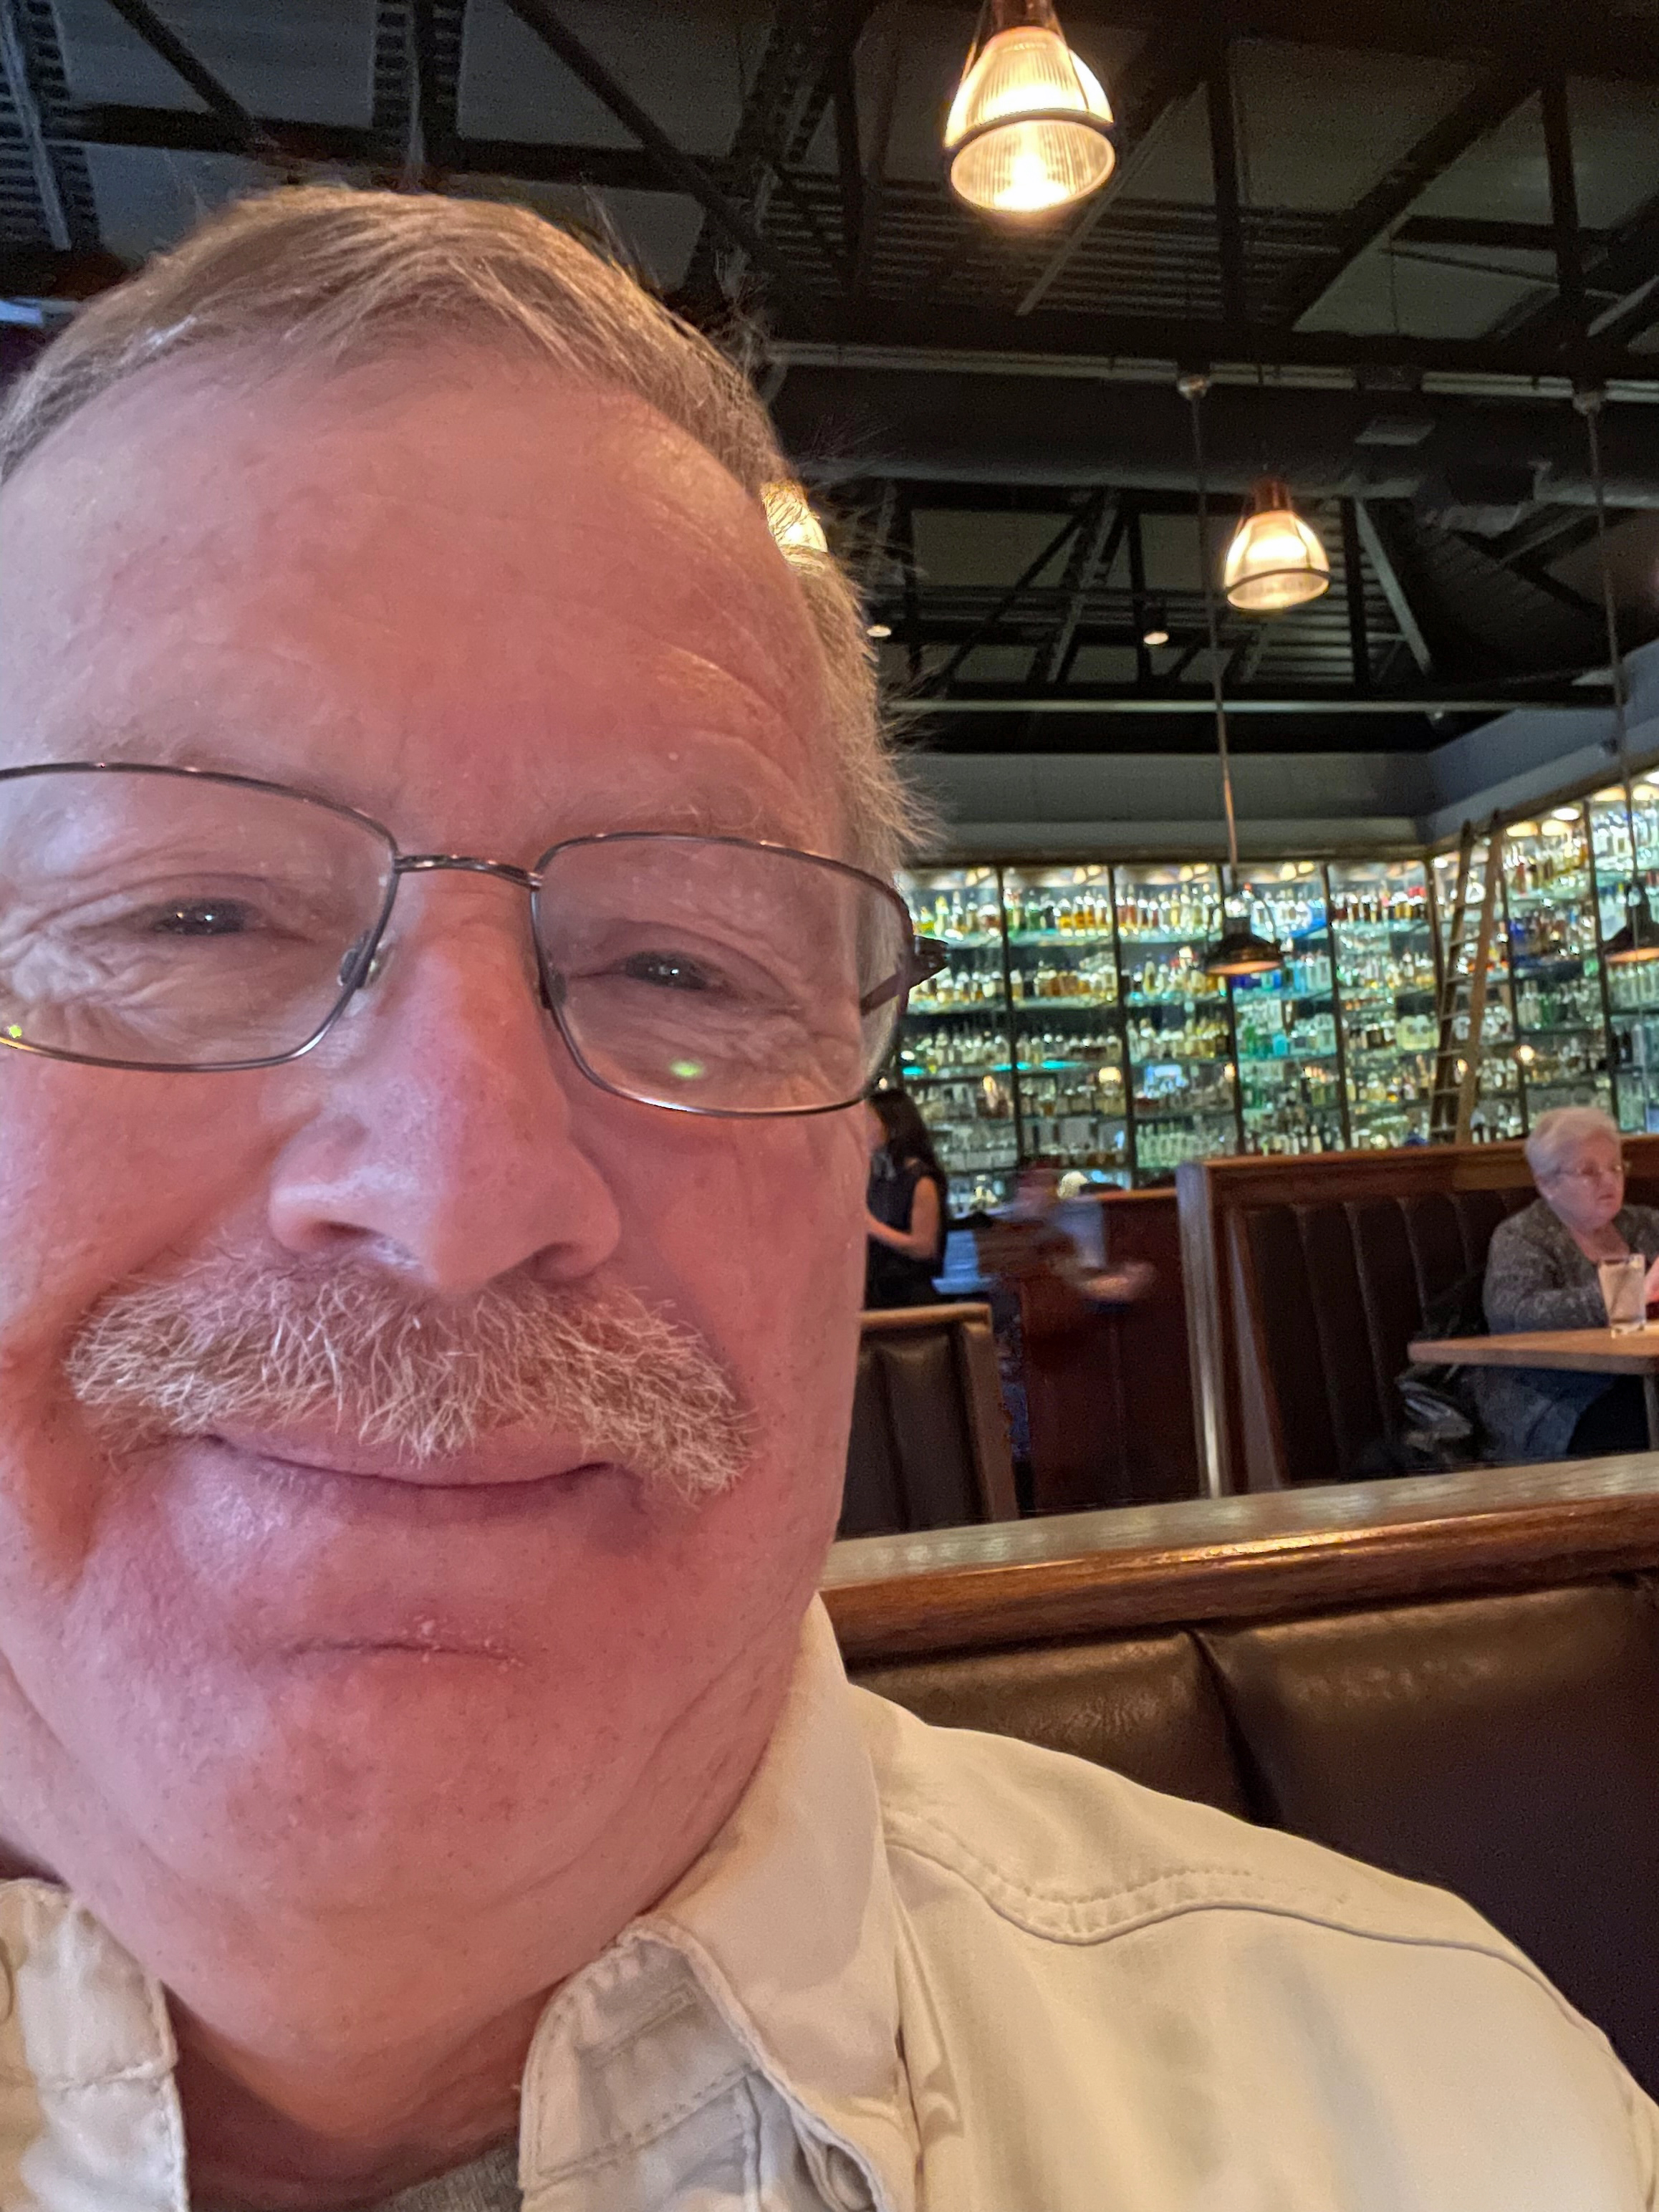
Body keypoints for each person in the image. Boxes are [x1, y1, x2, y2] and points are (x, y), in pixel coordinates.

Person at [0, 185, 1650, 2212]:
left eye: (677, 964)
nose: (457, 1191)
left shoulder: (1461, 2129)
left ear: (847, 1134)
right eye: (182, 919)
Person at [1478, 1104, 1659, 1462]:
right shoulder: (1522, 1237)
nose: (1609, 1181)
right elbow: (1515, 1315)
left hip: (1644, 1381)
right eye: (1589, 1171)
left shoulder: (1645, 1225)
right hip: (1559, 1402)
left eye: (1615, 1167)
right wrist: (1626, 1295)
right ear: (1547, 1183)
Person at [862, 1088, 947, 1308]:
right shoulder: (878, 1177)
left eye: (870, 1121)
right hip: (877, 1293)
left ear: (892, 1126)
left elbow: (925, 1246)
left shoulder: (921, 1181)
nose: (863, 1129)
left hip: (910, 1297)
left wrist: (872, 1227)